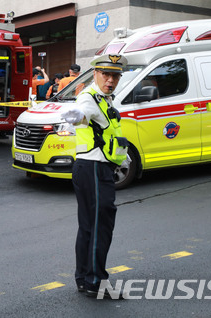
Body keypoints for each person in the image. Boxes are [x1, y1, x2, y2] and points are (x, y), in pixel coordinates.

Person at [61, 54, 129, 298]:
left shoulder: (105, 100)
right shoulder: (88, 98)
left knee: (89, 227)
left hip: (92, 168)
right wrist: (75, 116)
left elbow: (109, 134)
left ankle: (84, 278)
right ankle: (96, 282)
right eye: (106, 75)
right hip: (93, 170)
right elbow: (80, 114)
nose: (110, 80)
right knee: (101, 227)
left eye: (115, 76)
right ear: (96, 74)